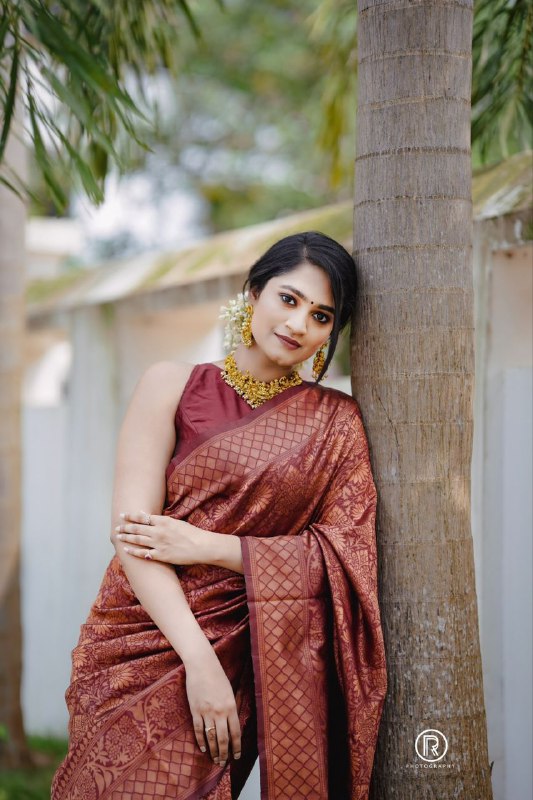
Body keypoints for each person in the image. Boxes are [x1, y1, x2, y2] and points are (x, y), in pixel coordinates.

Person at [51, 231, 387, 800]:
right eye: (289, 298)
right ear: (253, 292)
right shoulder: (171, 385)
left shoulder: (337, 424)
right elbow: (135, 537)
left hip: (248, 652)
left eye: (322, 315)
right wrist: (199, 665)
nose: (299, 323)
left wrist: (206, 547)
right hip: (140, 640)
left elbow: (345, 554)